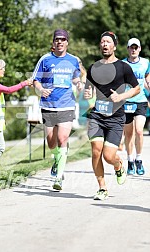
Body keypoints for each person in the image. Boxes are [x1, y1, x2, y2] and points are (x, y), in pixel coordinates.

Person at [84, 31, 140, 200]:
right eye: (102, 42)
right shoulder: (93, 67)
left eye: (108, 42)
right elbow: (89, 89)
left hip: (116, 117)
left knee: (109, 156)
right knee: (96, 152)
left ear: (114, 46)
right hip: (96, 116)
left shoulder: (123, 67)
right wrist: (88, 94)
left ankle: (118, 166)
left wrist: (121, 97)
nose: (105, 44)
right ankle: (102, 188)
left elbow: (136, 88)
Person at [32, 29, 83, 191]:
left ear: (67, 42)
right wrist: (40, 90)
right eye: (57, 39)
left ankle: (59, 177)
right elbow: (36, 80)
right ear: (53, 43)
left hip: (67, 105)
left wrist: (79, 83)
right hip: (48, 105)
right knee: (51, 141)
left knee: (62, 139)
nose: (59, 42)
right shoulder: (45, 60)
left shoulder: (73, 60)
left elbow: (76, 77)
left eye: (63, 39)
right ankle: (56, 159)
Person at [0, 58, 32, 178]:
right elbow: (9, 90)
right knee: (0, 147)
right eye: (2, 68)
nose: (4, 70)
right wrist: (24, 83)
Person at [123, 38, 150, 175]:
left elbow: (147, 77)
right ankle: (130, 160)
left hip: (141, 101)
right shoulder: (122, 64)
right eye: (131, 47)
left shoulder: (145, 62)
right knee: (129, 134)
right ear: (127, 49)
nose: (133, 49)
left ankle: (139, 159)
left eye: (136, 47)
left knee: (139, 130)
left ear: (139, 49)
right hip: (127, 102)